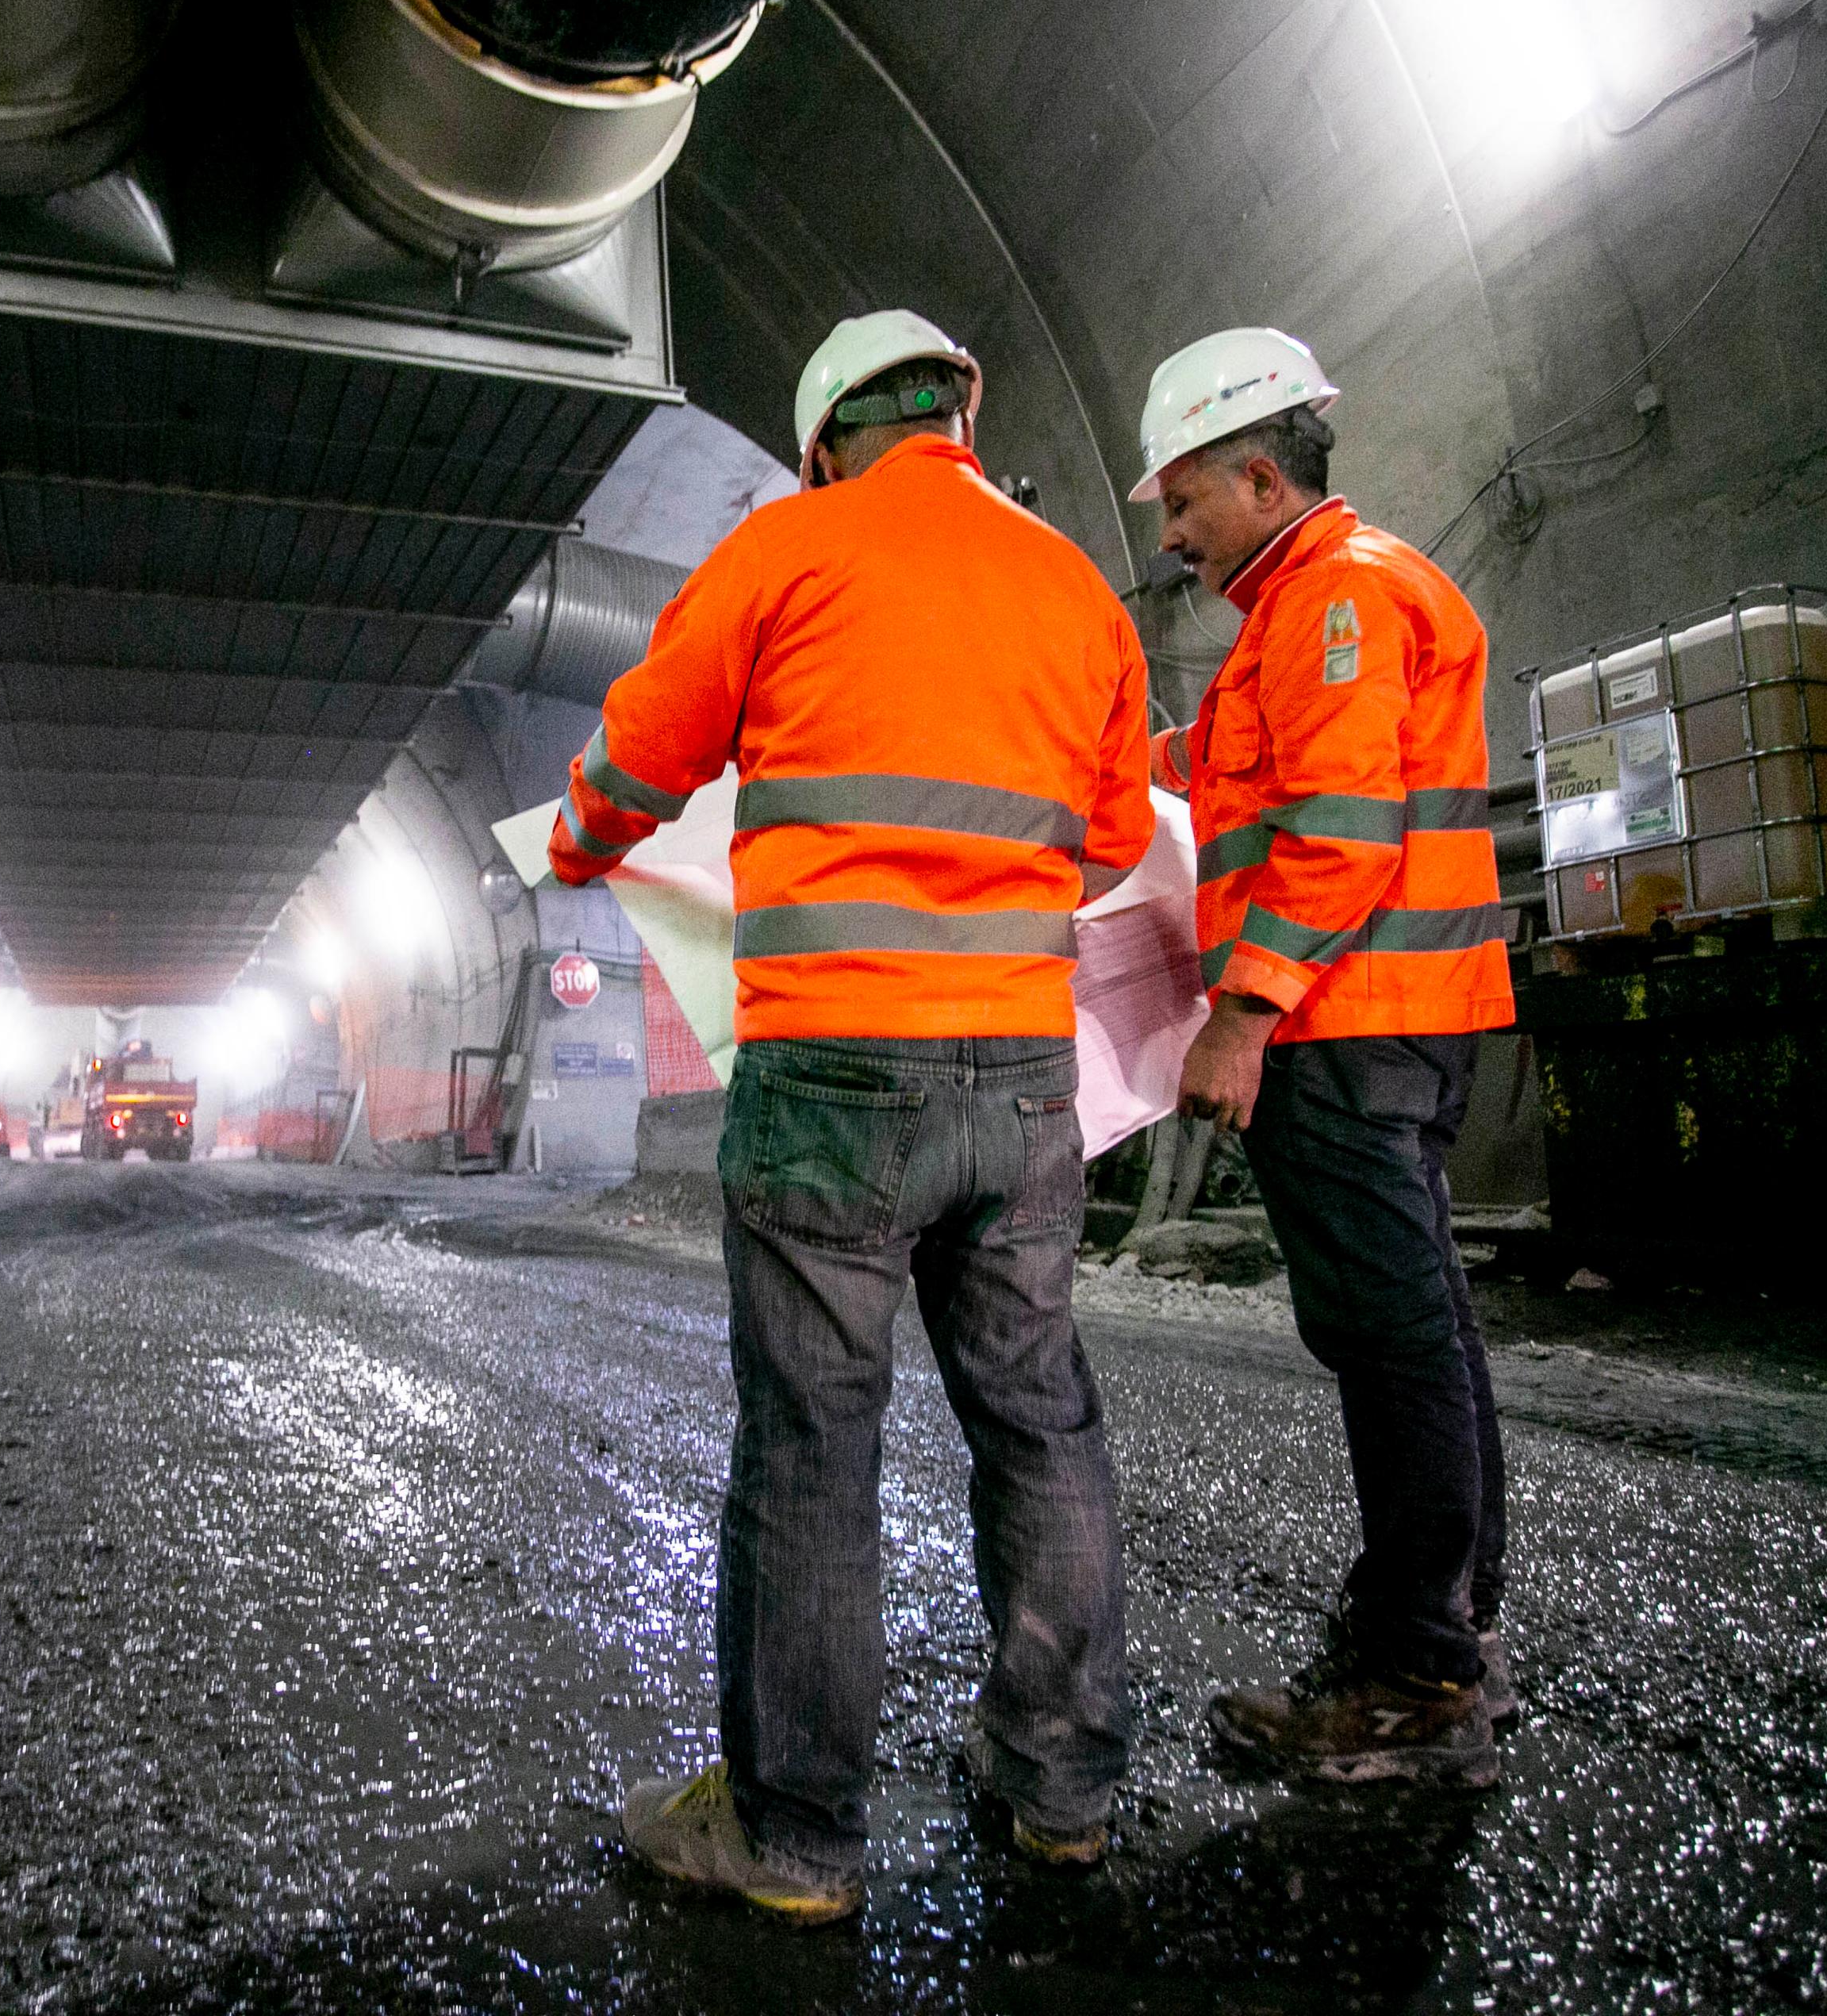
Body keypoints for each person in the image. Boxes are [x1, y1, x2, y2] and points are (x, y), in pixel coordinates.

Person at [549, 310, 1157, 1920]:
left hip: (832, 1074)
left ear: (825, 439)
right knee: (1040, 1420)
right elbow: (1105, 839)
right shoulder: (1079, 587)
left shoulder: (784, 552)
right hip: (1022, 1079)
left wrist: (576, 836)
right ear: (963, 415)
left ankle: (801, 1833)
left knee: (815, 1445)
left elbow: (642, 751)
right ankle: (1063, 1788)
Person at [1133, 327, 1518, 1788]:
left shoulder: (1335, 601)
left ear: (1258, 471)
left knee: (1389, 1337)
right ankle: (1447, 1626)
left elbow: (1343, 834)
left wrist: (1242, 1015)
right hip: (1387, 1021)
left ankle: (1419, 1681)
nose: (1170, 537)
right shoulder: (1311, 607)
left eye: (1182, 503)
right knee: (1421, 1325)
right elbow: (1245, 768)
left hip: (1349, 1025)